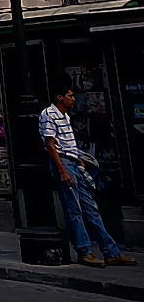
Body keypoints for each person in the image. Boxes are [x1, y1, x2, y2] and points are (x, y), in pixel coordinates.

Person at [40, 83, 136, 267]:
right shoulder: (48, 114)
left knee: (91, 209)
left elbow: (66, 144)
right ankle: (84, 251)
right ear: (60, 97)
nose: (73, 98)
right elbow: (51, 145)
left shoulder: (65, 116)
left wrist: (78, 159)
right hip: (64, 164)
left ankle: (111, 251)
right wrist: (62, 171)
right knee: (74, 209)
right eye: (70, 95)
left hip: (73, 163)